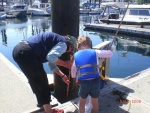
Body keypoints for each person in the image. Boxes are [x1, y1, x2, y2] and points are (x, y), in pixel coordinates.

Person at [12, 31, 77, 113]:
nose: (68, 51)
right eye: (71, 50)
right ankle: (49, 111)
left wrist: (62, 75)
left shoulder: (56, 40)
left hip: (18, 51)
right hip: (28, 52)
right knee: (42, 81)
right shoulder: (64, 44)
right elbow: (51, 58)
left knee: (35, 81)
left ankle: (44, 106)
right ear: (71, 46)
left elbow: (51, 63)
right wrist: (65, 64)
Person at [71, 36, 113, 113]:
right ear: (90, 45)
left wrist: (74, 77)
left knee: (82, 103)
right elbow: (109, 54)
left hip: (83, 83)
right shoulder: (95, 52)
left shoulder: (76, 56)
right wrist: (110, 50)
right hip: (95, 82)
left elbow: (73, 72)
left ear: (78, 46)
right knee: (95, 102)